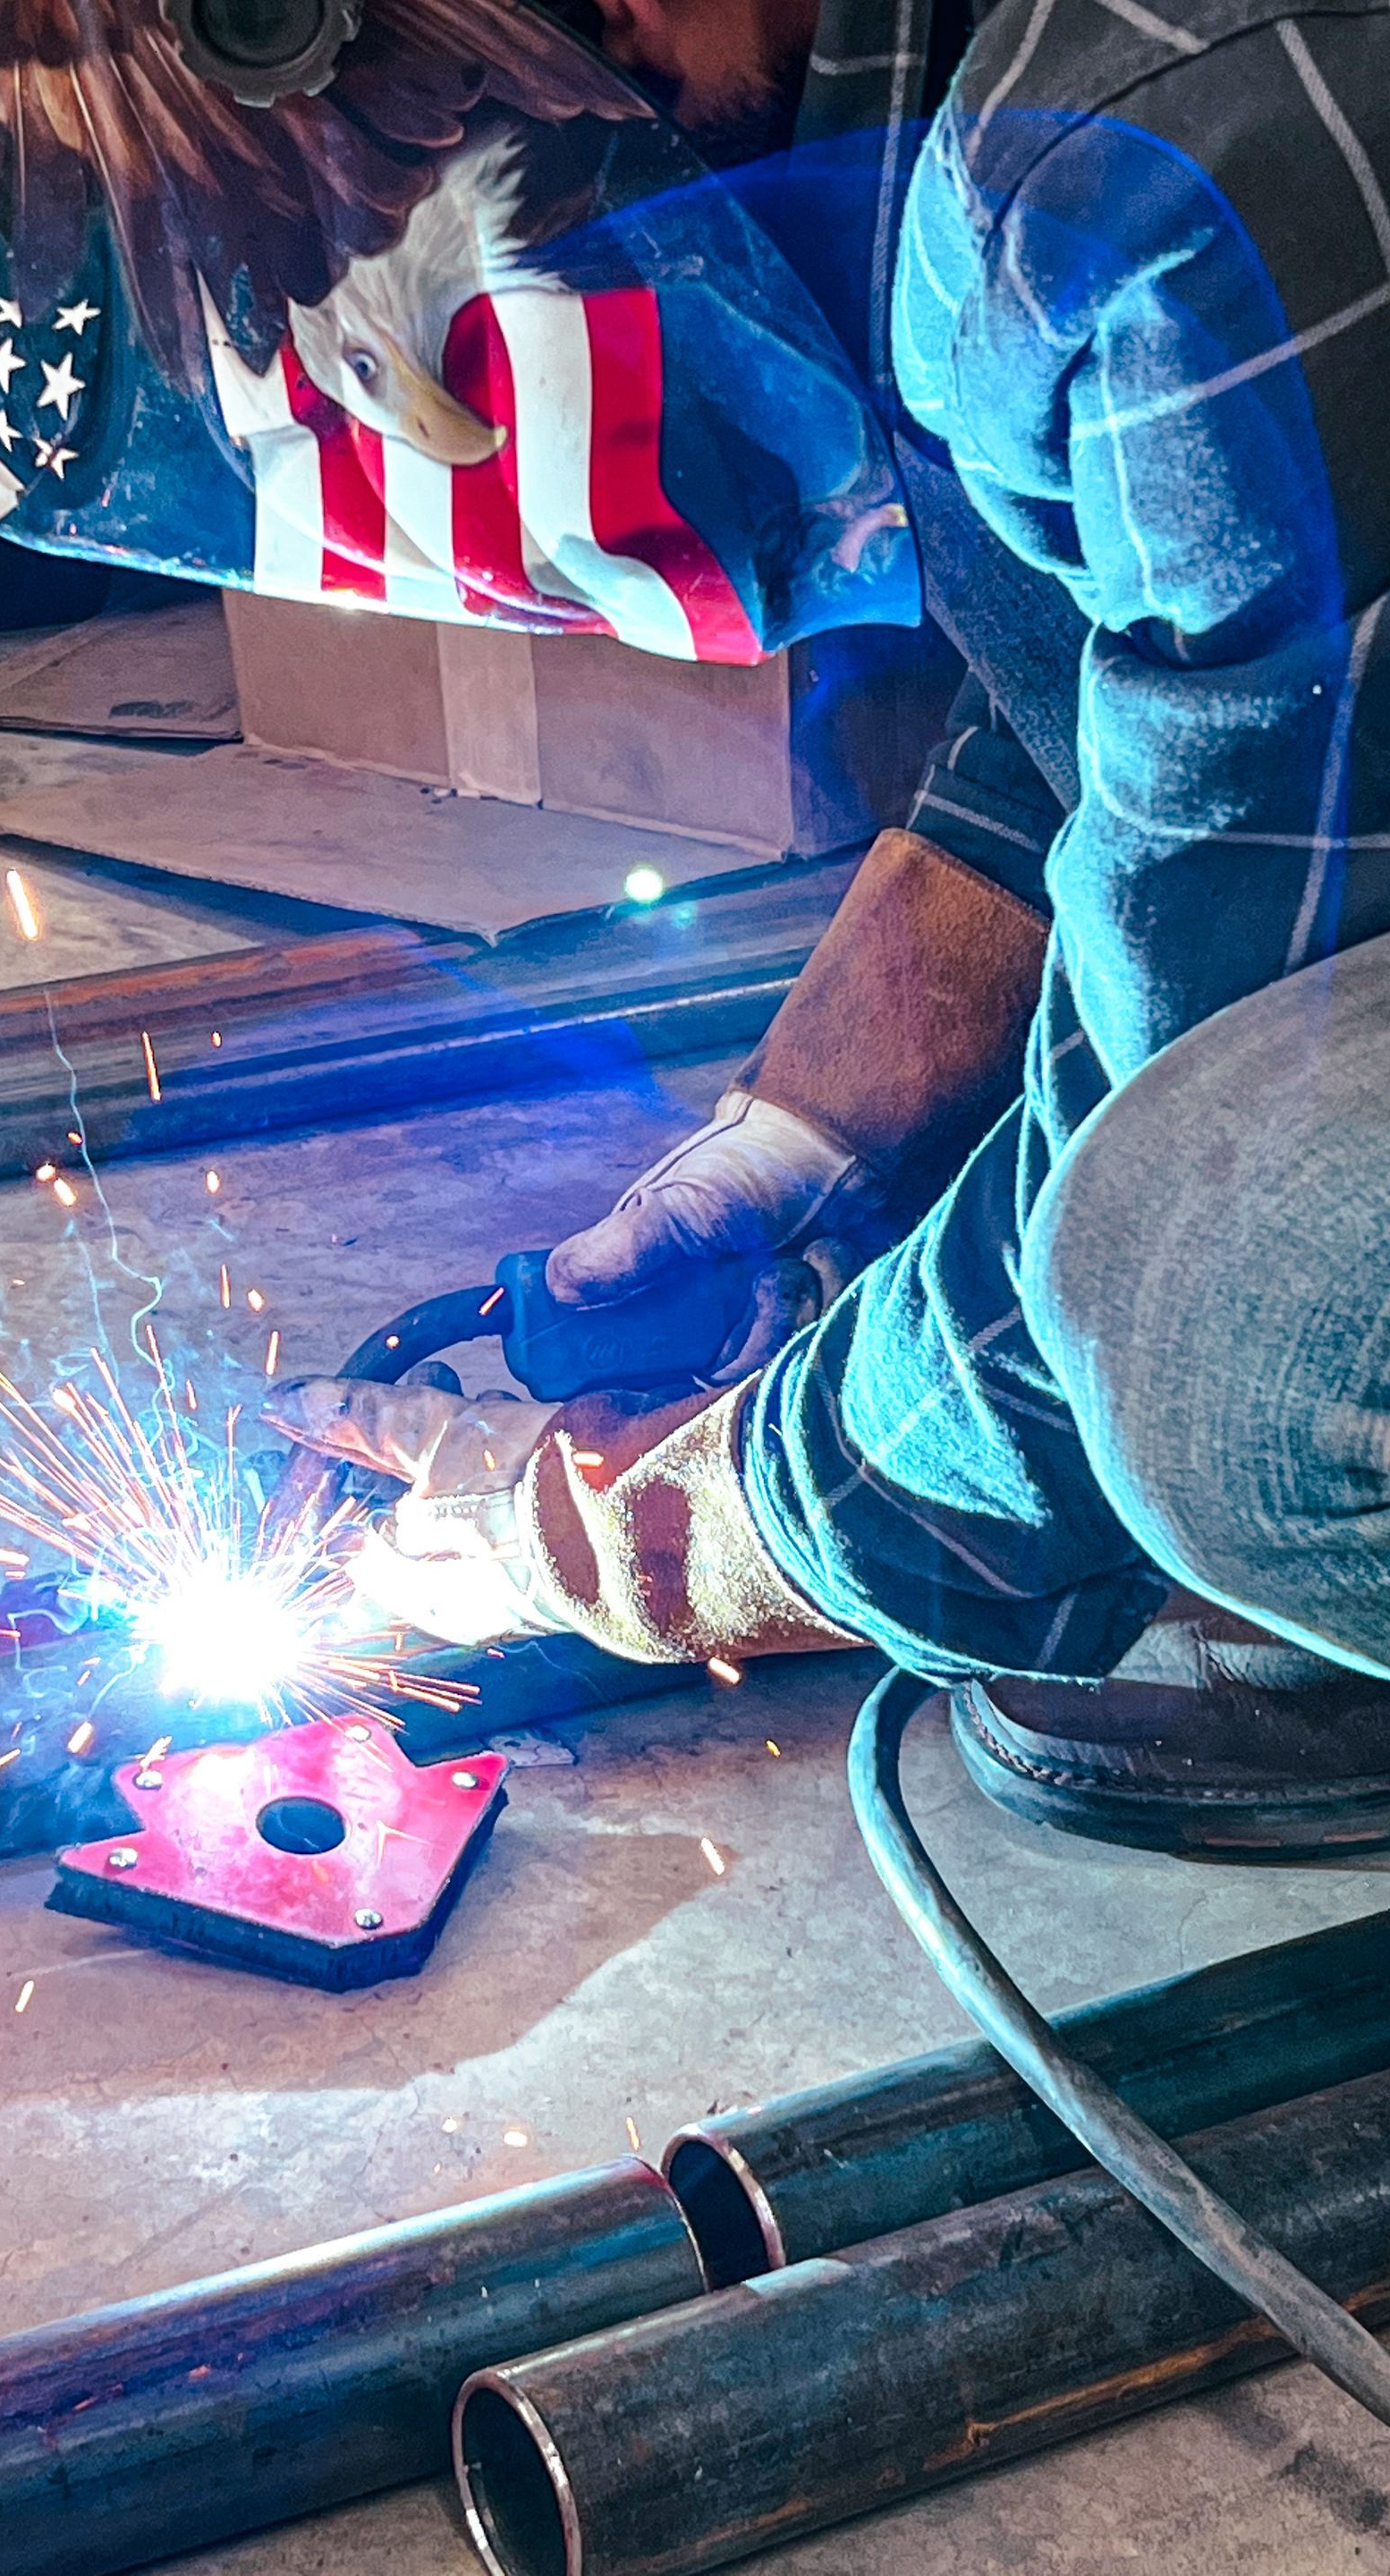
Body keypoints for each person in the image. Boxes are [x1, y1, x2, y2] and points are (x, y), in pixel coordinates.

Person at [267, 0, 1390, 1861]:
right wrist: (792, 1137)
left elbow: (1192, 1096)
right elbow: (1153, 716)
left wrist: (662, 1541)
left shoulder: (1131, 166)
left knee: (1223, 1334)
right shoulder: (1051, 127)